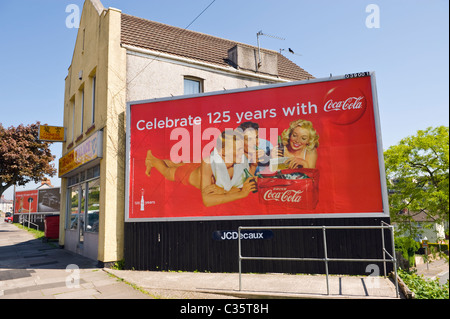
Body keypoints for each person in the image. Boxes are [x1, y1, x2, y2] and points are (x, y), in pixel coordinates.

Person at [144, 129, 257, 207]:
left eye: (242, 148)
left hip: (199, 168)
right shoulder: (208, 163)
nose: (243, 153)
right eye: (238, 149)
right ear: (222, 151)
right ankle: (151, 160)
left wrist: (225, 191)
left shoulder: (240, 161)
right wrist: (241, 193)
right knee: (168, 171)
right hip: (189, 175)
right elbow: (207, 200)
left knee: (177, 163)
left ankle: (159, 161)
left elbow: (248, 181)